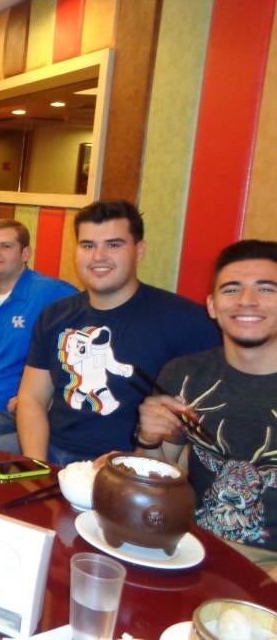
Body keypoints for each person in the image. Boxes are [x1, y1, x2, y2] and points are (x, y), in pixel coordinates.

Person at [17, 200, 221, 465]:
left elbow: (204, 422)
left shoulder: (185, 320)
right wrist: (36, 465)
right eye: (88, 245)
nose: (98, 256)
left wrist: (135, 465)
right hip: (55, 455)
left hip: (134, 464)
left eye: (113, 245)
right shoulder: (55, 316)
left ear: (139, 250)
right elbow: (32, 398)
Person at [136, 239, 277, 578]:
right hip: (191, 546)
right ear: (212, 306)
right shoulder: (183, 374)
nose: (247, 301)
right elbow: (152, 482)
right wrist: (150, 439)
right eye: (232, 290)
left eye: (266, 289)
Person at [0, 220, 77, 450]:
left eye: (5, 246)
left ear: (25, 253)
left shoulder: (52, 293)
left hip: (11, 414)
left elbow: (85, 343)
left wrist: (49, 397)